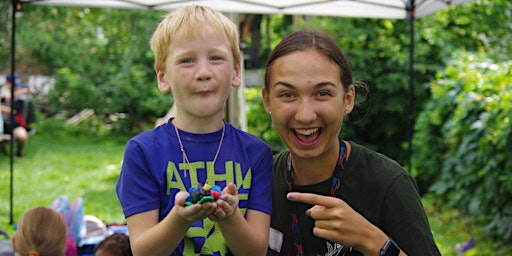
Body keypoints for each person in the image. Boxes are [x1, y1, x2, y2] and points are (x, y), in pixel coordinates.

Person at [262, 30, 441, 256]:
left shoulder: (388, 184)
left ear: (348, 99)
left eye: (322, 93)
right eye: (287, 95)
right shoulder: (259, 182)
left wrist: (371, 240)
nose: (305, 115)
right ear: (267, 100)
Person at [115, 5, 273, 256]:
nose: (203, 73)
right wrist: (180, 217)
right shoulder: (142, 152)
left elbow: (256, 251)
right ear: (163, 77)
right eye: (187, 60)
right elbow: (143, 251)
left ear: (235, 71)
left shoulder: (257, 154)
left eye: (216, 58)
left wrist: (230, 217)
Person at [1, 73, 34, 157]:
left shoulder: (21, 98)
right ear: (8, 84)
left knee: (22, 136)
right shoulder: (3, 93)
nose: (16, 88)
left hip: (15, 125)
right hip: (3, 124)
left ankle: (19, 152)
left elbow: (12, 111)